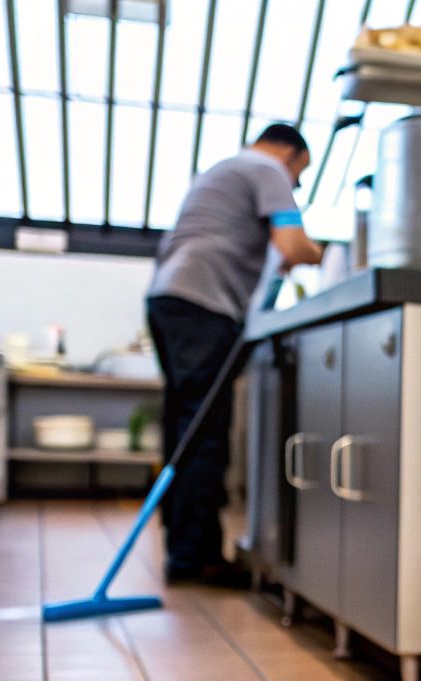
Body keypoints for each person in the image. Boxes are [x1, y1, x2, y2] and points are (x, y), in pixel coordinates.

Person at [145, 123, 324, 585]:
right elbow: (291, 243)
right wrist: (319, 253)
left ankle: (183, 549)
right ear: (292, 154)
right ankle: (197, 558)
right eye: (299, 175)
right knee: (205, 433)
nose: (296, 185)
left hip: (169, 299)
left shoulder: (223, 170)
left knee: (183, 429)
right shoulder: (268, 169)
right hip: (205, 306)